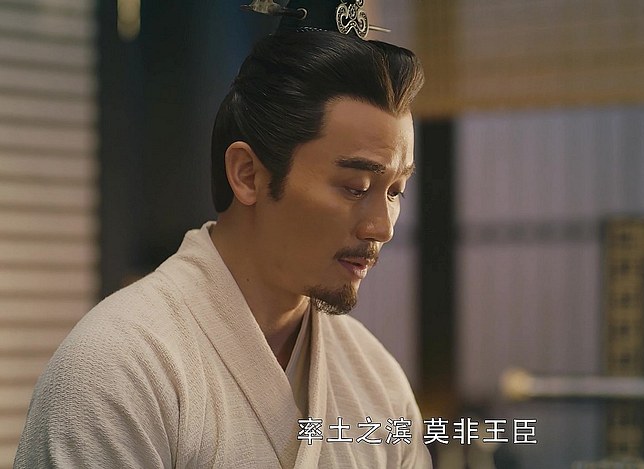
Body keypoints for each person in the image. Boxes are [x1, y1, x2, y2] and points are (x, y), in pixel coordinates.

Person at [14, 2, 430, 467]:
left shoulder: (378, 384)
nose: (382, 227)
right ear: (248, 174)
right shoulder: (117, 367)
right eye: (355, 188)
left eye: (395, 191)